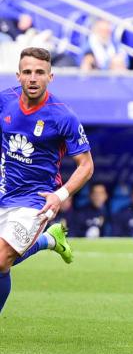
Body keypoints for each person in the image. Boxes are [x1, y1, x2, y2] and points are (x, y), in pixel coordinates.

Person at [0, 47, 94, 314]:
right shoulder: (4, 101)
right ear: (18, 75)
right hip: (5, 191)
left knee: (1, 259)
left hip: (37, 200)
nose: (33, 78)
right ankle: (49, 240)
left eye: (39, 72)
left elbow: (86, 166)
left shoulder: (63, 116)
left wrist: (59, 196)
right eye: (27, 72)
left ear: (50, 77)